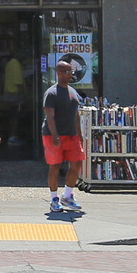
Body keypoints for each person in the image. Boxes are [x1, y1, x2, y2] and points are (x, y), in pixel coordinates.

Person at [42, 59, 86, 214]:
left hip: (71, 136)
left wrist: (79, 135)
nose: (71, 74)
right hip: (53, 136)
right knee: (55, 166)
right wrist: (54, 135)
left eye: (71, 72)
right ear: (59, 73)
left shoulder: (73, 92)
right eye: (68, 72)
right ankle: (54, 199)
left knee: (77, 164)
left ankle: (67, 196)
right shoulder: (51, 93)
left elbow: (76, 115)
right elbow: (49, 115)